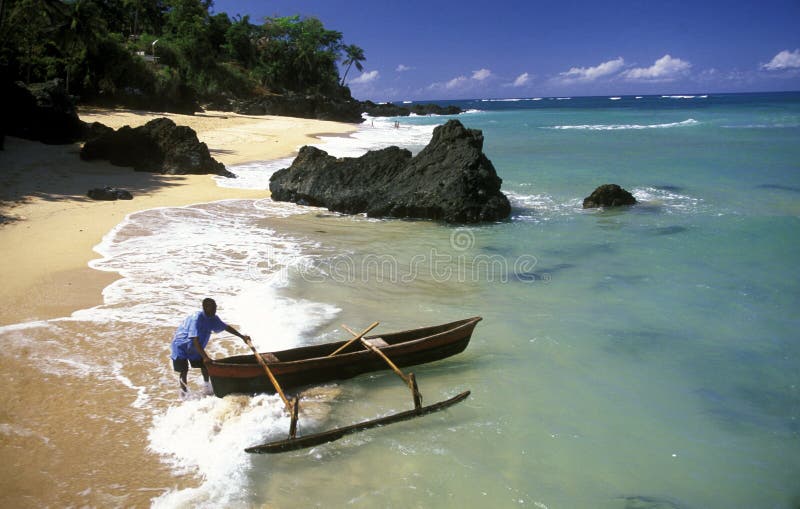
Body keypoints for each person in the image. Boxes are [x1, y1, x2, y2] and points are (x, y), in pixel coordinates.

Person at [170, 297, 251, 396]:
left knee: (205, 366)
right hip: (181, 346)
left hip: (194, 348)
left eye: (215, 307)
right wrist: (205, 357)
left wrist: (242, 337)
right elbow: (194, 339)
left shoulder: (213, 318)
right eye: (213, 307)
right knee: (184, 371)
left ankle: (207, 388)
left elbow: (226, 327)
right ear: (206, 308)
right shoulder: (197, 318)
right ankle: (184, 394)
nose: (215, 309)